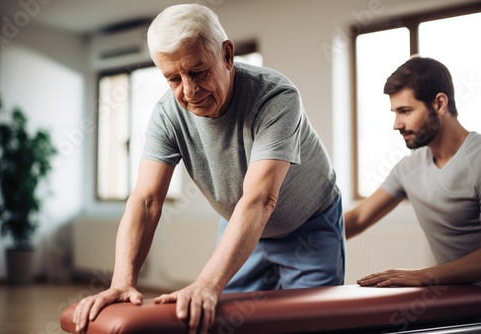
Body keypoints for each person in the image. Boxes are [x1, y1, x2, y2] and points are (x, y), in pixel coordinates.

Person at [73, 4, 345, 334]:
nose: (188, 91)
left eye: (198, 72)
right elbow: (146, 200)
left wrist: (206, 282)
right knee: (228, 325)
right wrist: (122, 282)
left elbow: (260, 200)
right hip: (241, 225)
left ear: (227, 54)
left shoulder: (275, 97)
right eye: (173, 78)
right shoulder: (167, 114)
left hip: (308, 225)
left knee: (312, 327)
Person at [345, 56, 481, 288]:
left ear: (439, 104)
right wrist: (288, 235)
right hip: (457, 301)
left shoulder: (477, 160)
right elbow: (358, 218)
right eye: (395, 113)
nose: (396, 124)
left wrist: (425, 275)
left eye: (405, 111)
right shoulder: (409, 167)